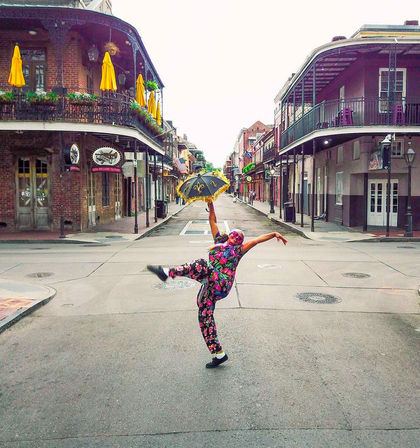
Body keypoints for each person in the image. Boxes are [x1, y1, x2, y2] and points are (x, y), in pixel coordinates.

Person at [147, 201, 288, 369]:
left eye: (239, 238)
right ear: (229, 235)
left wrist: (273, 234)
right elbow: (213, 221)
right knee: (204, 316)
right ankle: (218, 354)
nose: (236, 238)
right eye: (235, 235)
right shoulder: (218, 242)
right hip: (210, 284)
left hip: (222, 283)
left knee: (201, 264)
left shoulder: (239, 251)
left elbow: (257, 240)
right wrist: (211, 204)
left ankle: (167, 272)